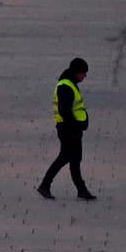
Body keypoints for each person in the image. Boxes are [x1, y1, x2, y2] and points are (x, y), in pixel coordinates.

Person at [38, 57, 96, 200]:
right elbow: (65, 110)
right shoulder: (66, 86)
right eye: (83, 73)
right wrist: (76, 125)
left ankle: (81, 189)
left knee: (75, 159)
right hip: (69, 129)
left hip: (73, 129)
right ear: (77, 72)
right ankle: (45, 184)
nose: (85, 76)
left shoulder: (70, 83)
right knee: (66, 157)